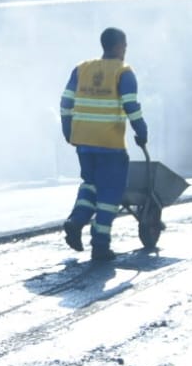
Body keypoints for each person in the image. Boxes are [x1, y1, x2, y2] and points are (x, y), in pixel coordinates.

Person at [60, 26, 148, 263]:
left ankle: (76, 220)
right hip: (110, 144)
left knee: (90, 185)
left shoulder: (82, 69)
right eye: (125, 45)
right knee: (110, 194)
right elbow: (131, 106)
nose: (126, 49)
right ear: (118, 46)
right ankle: (100, 245)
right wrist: (142, 131)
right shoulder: (124, 72)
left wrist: (68, 129)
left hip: (83, 142)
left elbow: (65, 102)